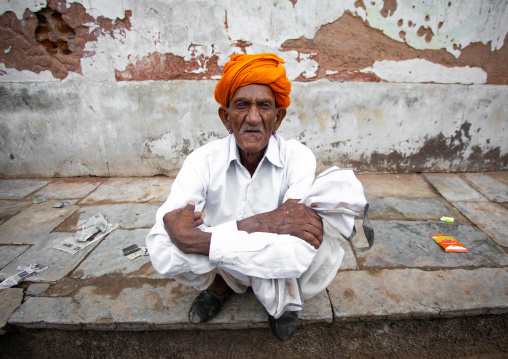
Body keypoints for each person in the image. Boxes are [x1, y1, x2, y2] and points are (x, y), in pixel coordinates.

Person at [146, 53, 347, 342]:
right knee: (168, 246)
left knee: (312, 242)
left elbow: (297, 249)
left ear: (277, 118)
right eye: (241, 105)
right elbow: (162, 242)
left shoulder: (298, 157)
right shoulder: (202, 160)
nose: (253, 117)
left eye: (264, 106)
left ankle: (282, 299)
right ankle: (222, 285)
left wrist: (203, 240)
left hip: (249, 257)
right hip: (230, 260)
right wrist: (271, 222)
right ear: (226, 118)